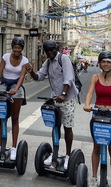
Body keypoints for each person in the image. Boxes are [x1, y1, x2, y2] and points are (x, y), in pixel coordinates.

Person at [26, 40, 78, 169]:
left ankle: (67, 156)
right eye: (47, 51)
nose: (50, 53)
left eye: (52, 50)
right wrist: (31, 72)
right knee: (55, 127)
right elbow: (39, 77)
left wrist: (64, 94)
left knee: (67, 127)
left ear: (56, 49)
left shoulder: (63, 58)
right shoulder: (48, 62)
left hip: (68, 98)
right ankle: (55, 155)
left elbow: (69, 78)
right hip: (56, 98)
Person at [83, 51, 111, 187]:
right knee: (96, 147)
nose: (106, 64)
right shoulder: (95, 77)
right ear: (100, 63)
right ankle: (94, 178)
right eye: (103, 61)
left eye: (108, 62)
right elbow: (89, 93)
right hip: (98, 113)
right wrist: (87, 104)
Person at [0, 37, 28, 161]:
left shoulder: (25, 60)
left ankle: (14, 148)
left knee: (15, 118)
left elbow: (22, 76)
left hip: (16, 89)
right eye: (15, 47)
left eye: (19, 47)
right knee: (2, 118)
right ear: (12, 47)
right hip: (4, 87)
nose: (17, 49)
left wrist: (16, 90)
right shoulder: (6, 57)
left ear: (22, 49)